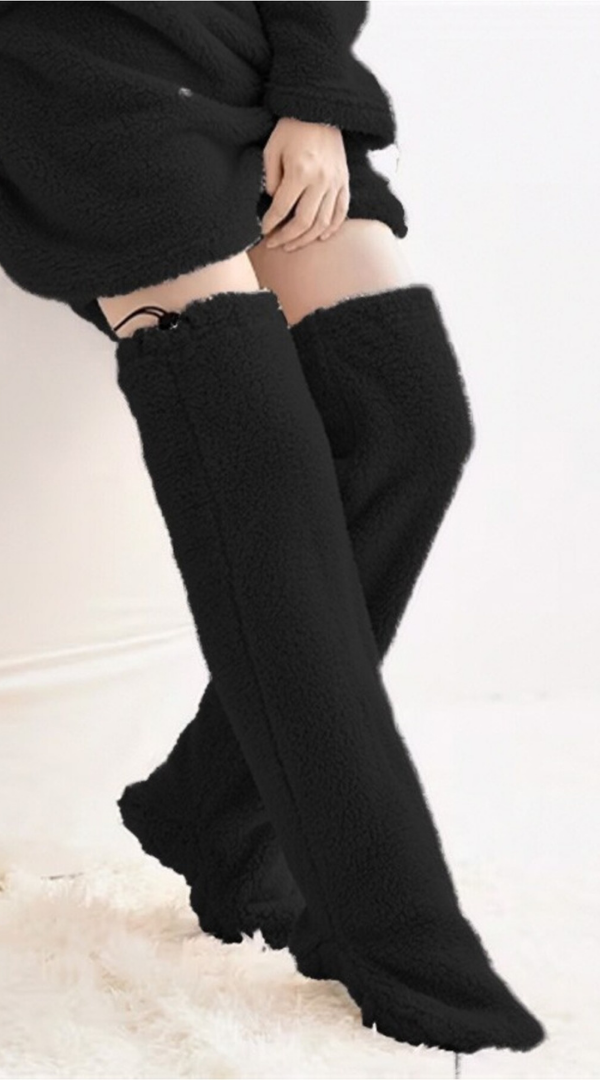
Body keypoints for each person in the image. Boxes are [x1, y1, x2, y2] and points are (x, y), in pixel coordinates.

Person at [0, 1, 545, 1056]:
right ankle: (394, 931)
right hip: (80, 80)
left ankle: (218, 807)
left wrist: (315, 96)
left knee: (408, 421)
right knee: (260, 468)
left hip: (244, 68)